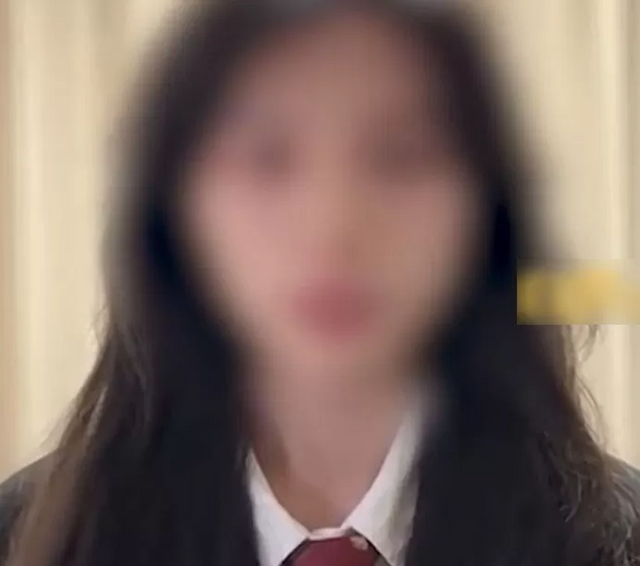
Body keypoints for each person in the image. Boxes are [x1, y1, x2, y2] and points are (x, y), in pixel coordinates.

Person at [1, 1, 638, 565]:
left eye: (400, 156)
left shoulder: (611, 538)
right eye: (266, 158)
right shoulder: (35, 537)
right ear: (174, 214)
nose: (332, 225)